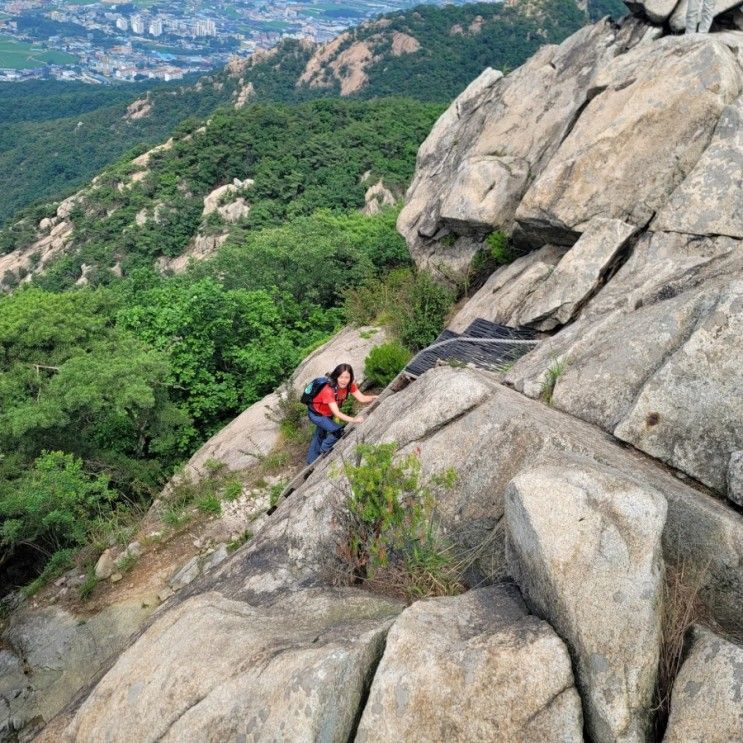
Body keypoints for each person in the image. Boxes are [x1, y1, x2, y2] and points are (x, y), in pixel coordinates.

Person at [306, 363, 377, 464]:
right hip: (316, 414)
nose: (344, 380)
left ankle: (311, 461)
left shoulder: (350, 385)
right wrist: (354, 420)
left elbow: (361, 398)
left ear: (351, 377)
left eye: (347, 377)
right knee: (337, 431)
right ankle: (324, 450)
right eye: (341, 377)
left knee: (320, 434)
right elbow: (337, 413)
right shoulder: (328, 390)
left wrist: (374, 397)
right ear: (336, 377)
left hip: (327, 414)